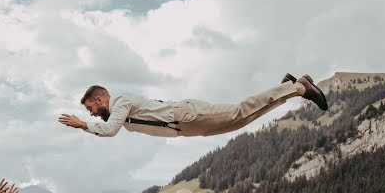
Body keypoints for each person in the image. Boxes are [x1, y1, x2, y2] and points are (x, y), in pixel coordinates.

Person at [58, 74, 328, 138]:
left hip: (185, 115)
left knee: (238, 111)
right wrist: (87, 125)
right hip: (186, 127)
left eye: (90, 108)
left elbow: (111, 129)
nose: (90, 113)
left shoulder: (120, 101)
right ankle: (288, 90)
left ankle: (298, 86)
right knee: (241, 121)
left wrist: (83, 125)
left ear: (100, 99)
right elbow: (107, 124)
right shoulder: (117, 110)